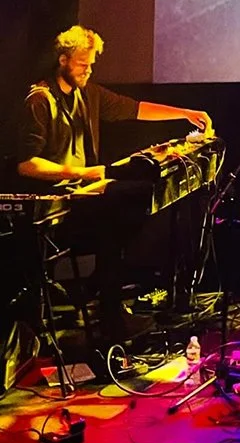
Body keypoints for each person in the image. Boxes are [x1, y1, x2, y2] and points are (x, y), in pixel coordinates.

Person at [14, 25, 212, 343]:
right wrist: (83, 173)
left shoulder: (88, 93)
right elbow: (27, 164)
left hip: (84, 196)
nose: (88, 71)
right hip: (54, 207)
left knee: (137, 199)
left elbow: (132, 109)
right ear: (63, 60)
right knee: (115, 221)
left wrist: (184, 113)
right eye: (83, 64)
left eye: (92, 64)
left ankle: (104, 306)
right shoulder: (40, 100)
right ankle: (109, 316)